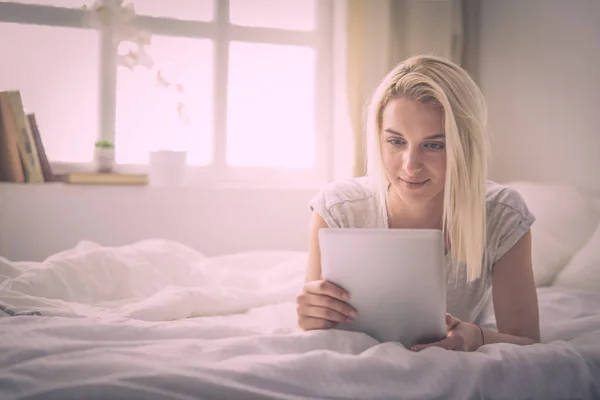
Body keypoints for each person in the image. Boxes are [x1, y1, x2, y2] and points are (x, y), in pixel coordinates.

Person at [296, 54, 541, 352]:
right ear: (378, 138)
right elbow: (316, 328)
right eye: (396, 141)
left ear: (464, 147)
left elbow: (526, 342)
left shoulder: (502, 215)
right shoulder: (338, 210)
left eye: (434, 145)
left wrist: (477, 337)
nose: (411, 166)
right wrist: (311, 316)